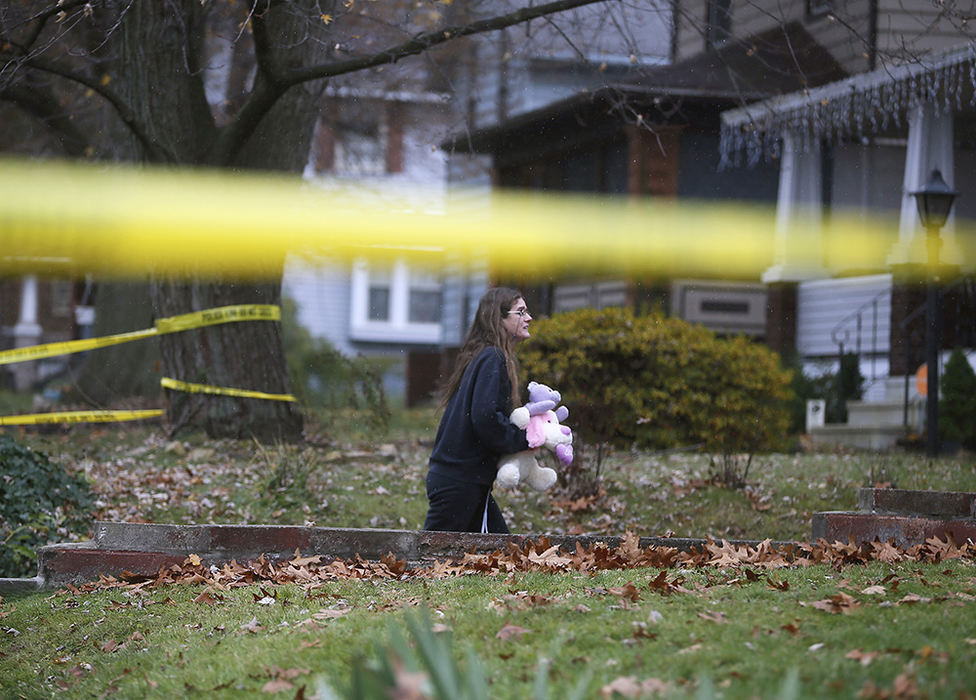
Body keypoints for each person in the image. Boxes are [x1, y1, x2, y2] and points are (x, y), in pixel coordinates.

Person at [423, 287, 533, 534]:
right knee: (430, 559)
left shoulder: (484, 356)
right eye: (521, 312)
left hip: (464, 480)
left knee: (499, 553)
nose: (529, 318)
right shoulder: (492, 358)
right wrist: (524, 439)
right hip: (459, 482)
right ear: (499, 319)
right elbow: (486, 420)